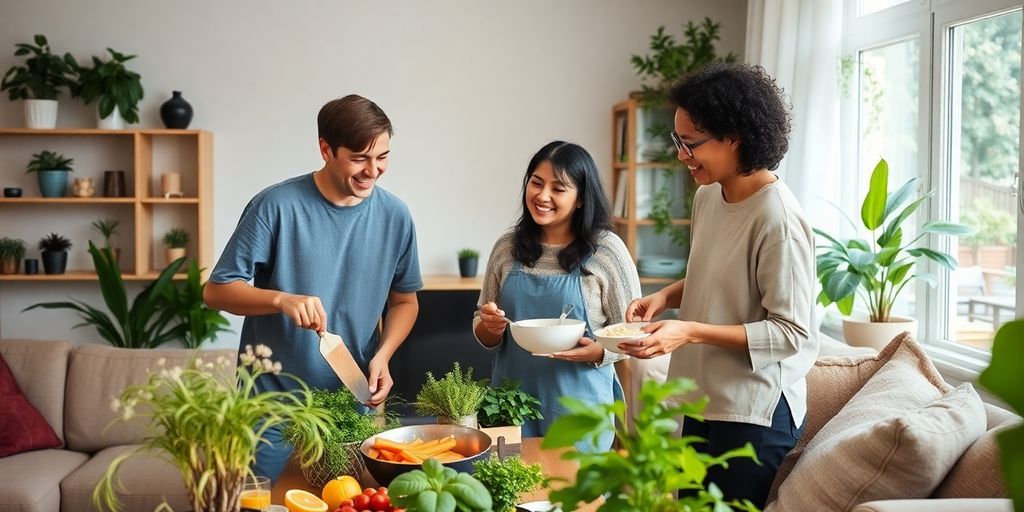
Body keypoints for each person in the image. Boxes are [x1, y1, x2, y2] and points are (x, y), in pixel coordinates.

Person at [621, 63, 818, 508]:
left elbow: (790, 332)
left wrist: (688, 329)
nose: (680, 155)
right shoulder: (709, 194)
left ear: (736, 137)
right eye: (678, 141)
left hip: (755, 411)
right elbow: (721, 272)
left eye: (690, 144)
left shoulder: (778, 219)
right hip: (704, 398)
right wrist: (666, 297)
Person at [204, 94, 422, 484]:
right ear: (326, 149)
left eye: (383, 157)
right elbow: (217, 291)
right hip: (269, 404)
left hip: (349, 400)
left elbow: (405, 301)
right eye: (359, 158)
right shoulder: (275, 206)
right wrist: (280, 299)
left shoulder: (396, 216)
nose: (373, 170)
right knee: (253, 501)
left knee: (349, 502)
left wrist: (384, 355)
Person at [473, 140, 641, 451]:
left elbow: (634, 333)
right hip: (510, 404)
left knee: (579, 497)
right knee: (513, 493)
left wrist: (599, 353)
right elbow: (483, 327)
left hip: (580, 410)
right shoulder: (507, 248)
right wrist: (489, 326)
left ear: (580, 199)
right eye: (536, 183)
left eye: (558, 188)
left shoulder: (607, 252)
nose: (542, 195)